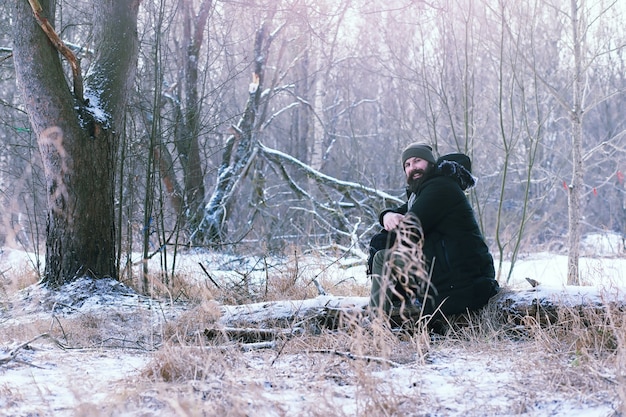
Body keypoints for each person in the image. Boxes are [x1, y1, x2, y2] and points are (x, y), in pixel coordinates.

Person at [368, 143, 499, 321]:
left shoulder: (440, 187)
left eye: (417, 161)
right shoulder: (422, 193)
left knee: (383, 258)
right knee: (387, 252)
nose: (412, 167)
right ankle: (386, 316)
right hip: (449, 271)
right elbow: (401, 213)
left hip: (465, 278)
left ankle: (376, 324)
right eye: (407, 165)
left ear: (431, 163)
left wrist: (390, 230)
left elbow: (409, 230)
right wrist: (387, 215)